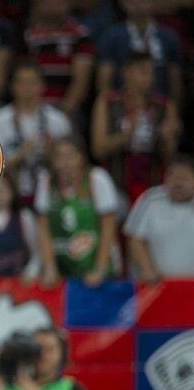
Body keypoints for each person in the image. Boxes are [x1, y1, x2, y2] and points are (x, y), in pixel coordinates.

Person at [91, 52, 180, 205]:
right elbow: (98, 149)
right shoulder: (107, 102)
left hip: (152, 178)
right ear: (126, 72)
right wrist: (126, 136)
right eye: (143, 71)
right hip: (116, 177)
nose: (148, 77)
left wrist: (167, 140)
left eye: (151, 72)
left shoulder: (164, 106)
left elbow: (169, 157)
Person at [35, 137, 121, 286]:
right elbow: (43, 229)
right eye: (59, 157)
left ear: (81, 157)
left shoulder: (97, 178)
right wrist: (50, 267)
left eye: (70, 156)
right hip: (63, 268)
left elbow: (108, 228)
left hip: (98, 267)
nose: (65, 162)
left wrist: (99, 269)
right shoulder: (46, 182)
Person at [0, 62, 73, 207]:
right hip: (11, 197)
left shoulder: (58, 120)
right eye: (22, 83)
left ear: (42, 86)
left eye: (32, 82)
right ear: (13, 86)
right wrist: (19, 155)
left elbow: (72, 164)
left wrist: (51, 154)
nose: (27, 88)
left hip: (52, 194)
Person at [124, 155, 194, 282]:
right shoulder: (151, 199)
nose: (177, 183)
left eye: (184, 177)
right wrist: (147, 270)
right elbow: (135, 239)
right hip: (157, 287)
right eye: (172, 176)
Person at [96, 0, 182, 103]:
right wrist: (107, 106)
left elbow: (175, 80)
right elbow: (104, 79)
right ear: (123, 3)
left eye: (143, 1)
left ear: (154, 3)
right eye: (132, 1)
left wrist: (173, 108)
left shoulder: (169, 38)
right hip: (122, 106)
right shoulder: (111, 36)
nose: (138, 4)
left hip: (159, 105)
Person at [23, 0, 94, 119]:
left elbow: (80, 82)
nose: (52, 6)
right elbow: (24, 77)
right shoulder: (29, 36)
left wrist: (62, 114)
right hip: (33, 106)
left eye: (58, 2)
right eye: (48, 2)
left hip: (66, 108)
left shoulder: (80, 35)